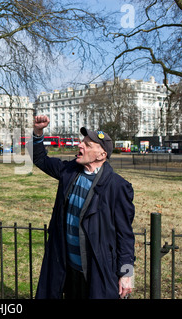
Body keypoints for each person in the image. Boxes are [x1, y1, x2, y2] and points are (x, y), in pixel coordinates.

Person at [31, 115, 135, 299]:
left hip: (96, 271)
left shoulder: (118, 187)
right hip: (66, 267)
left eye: (87, 144)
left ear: (102, 154)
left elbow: (125, 235)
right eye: (82, 142)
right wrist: (38, 132)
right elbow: (40, 159)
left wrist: (127, 274)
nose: (80, 145)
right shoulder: (69, 171)